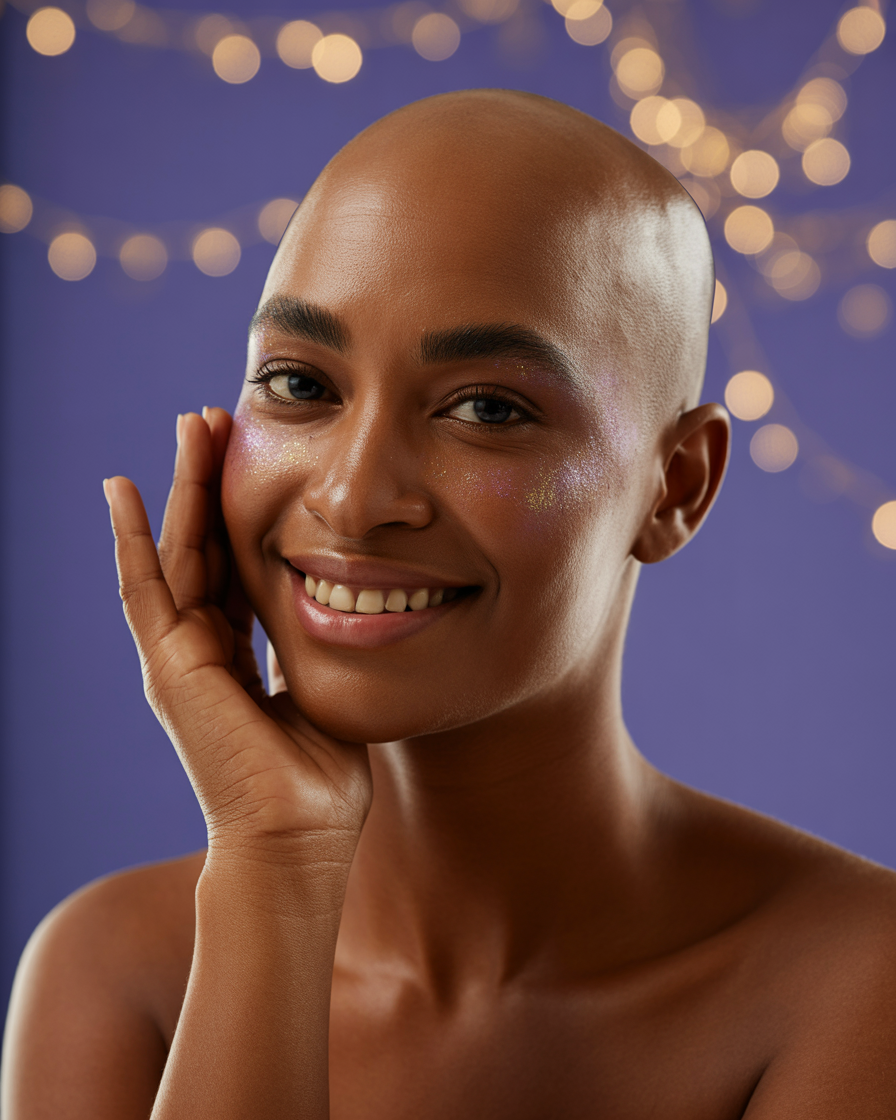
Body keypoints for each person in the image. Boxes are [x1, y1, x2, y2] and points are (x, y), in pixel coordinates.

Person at [3, 89, 896, 1119]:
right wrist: (274, 867)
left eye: (486, 408)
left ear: (675, 487)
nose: (351, 497)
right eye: (300, 386)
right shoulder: (111, 969)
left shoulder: (857, 982)